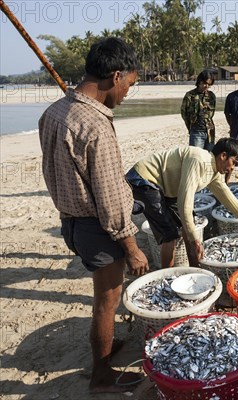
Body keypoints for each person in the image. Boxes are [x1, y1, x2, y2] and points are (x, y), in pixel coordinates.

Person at [38, 37, 149, 394]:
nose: (128, 93)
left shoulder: (53, 111)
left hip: (69, 222)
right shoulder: (96, 126)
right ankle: (101, 375)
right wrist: (130, 247)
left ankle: (104, 347)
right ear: (115, 76)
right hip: (96, 227)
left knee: (103, 299)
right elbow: (109, 196)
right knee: (107, 302)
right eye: (129, 85)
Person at [127, 138, 238, 269]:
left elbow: (231, 202)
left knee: (189, 227)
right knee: (170, 235)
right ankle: (166, 277)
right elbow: (185, 202)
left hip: (165, 187)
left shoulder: (215, 173)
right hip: (144, 179)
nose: (233, 168)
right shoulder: (199, 160)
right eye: (233, 162)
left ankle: (194, 268)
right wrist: (195, 240)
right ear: (223, 156)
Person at [181, 69, 216, 150]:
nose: (206, 86)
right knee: (195, 157)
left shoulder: (211, 96)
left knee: (209, 157)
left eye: (209, 84)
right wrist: (190, 127)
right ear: (199, 81)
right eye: (204, 83)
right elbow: (184, 113)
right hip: (196, 131)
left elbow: (212, 114)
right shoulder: (190, 95)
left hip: (210, 131)